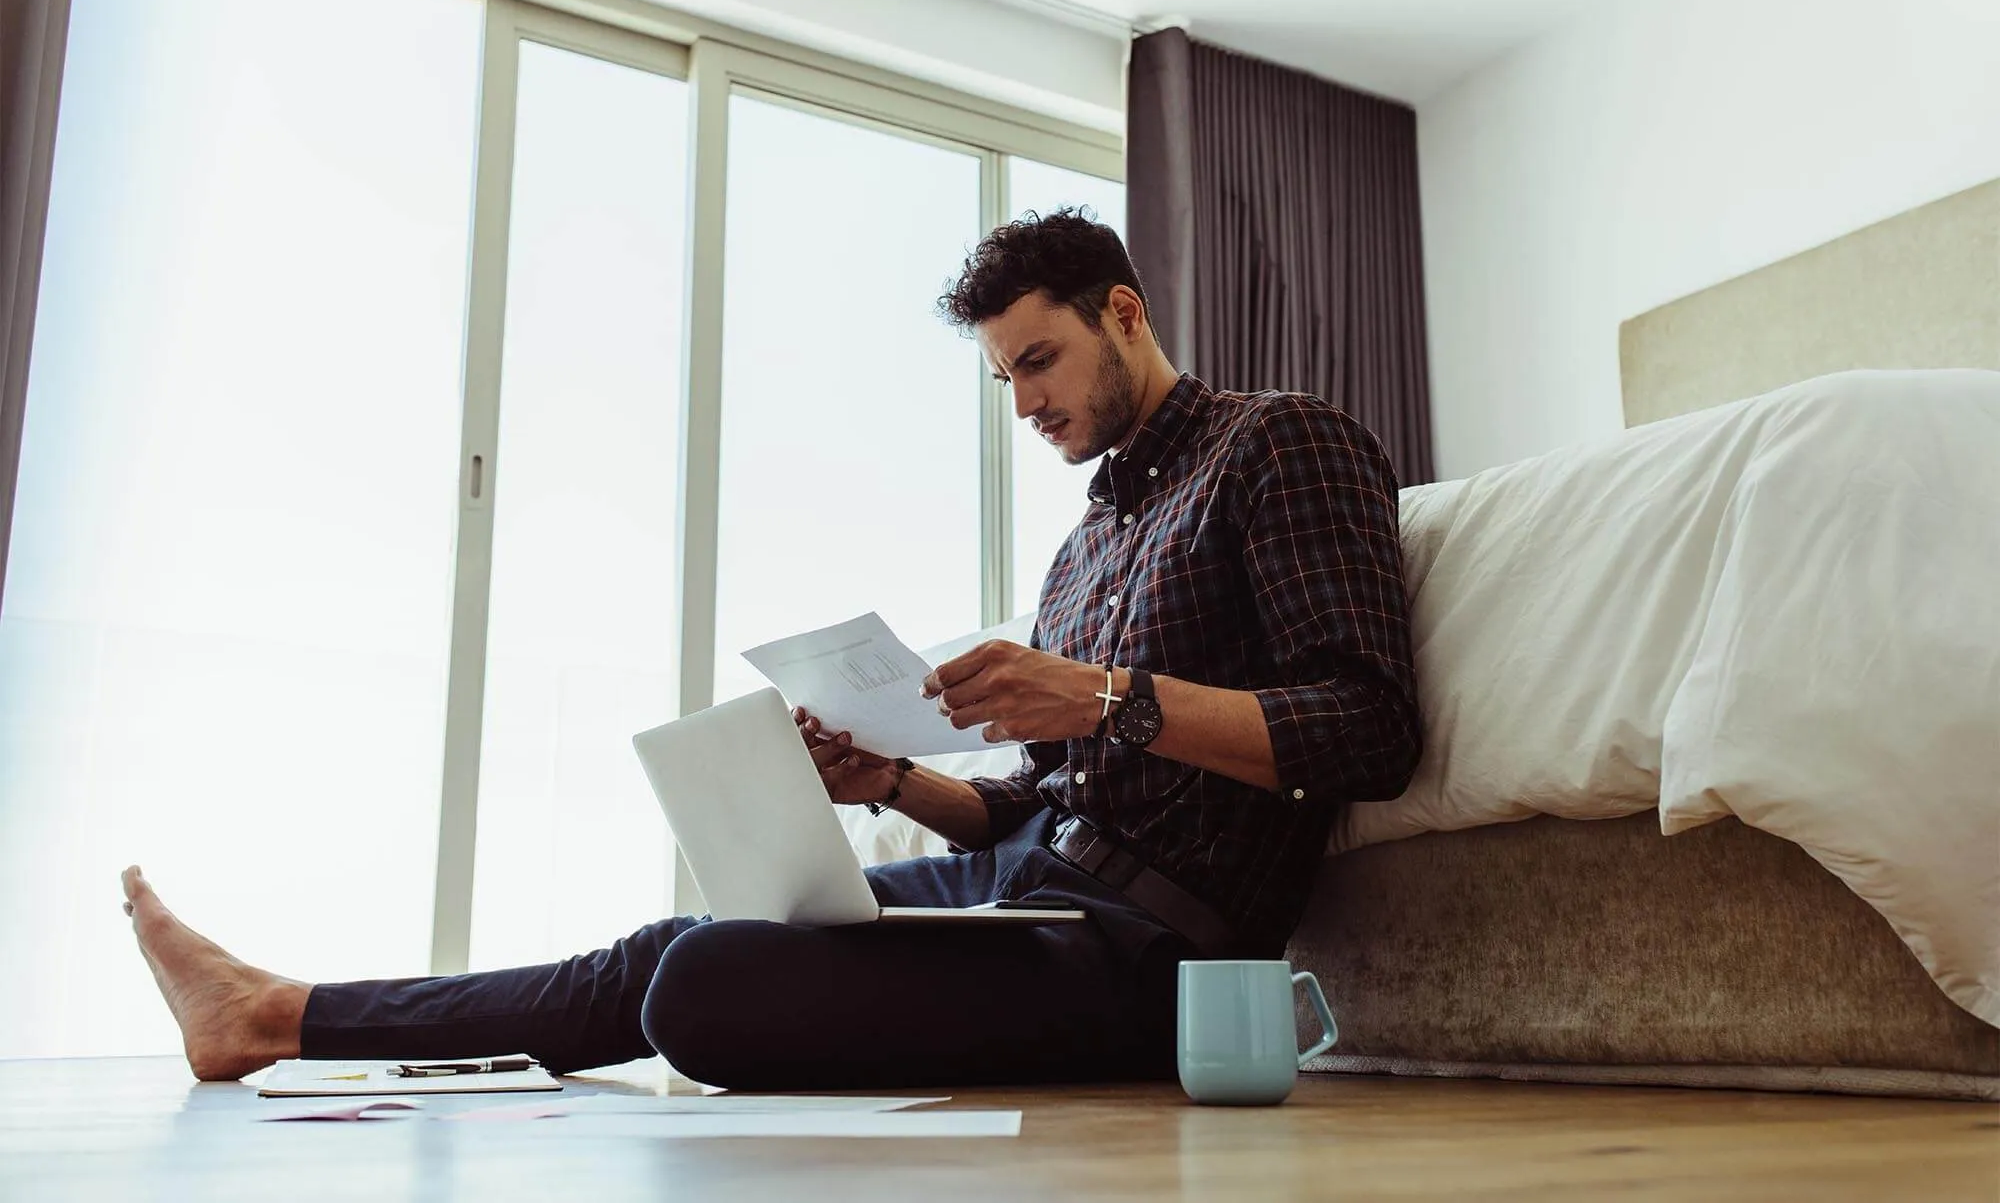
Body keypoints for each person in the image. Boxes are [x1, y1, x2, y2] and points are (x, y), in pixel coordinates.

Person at [122, 209, 1420, 1090]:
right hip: (1031, 886)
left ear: (1125, 312)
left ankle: (278, 1014)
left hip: (1157, 951)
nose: (1024, 402)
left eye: (1041, 360)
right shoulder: (1084, 549)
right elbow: (1039, 802)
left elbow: (1368, 725)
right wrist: (891, 783)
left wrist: (1098, 694)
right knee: (666, 944)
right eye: (1004, 379)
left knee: (699, 984)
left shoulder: (1280, 444)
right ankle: (277, 1013)